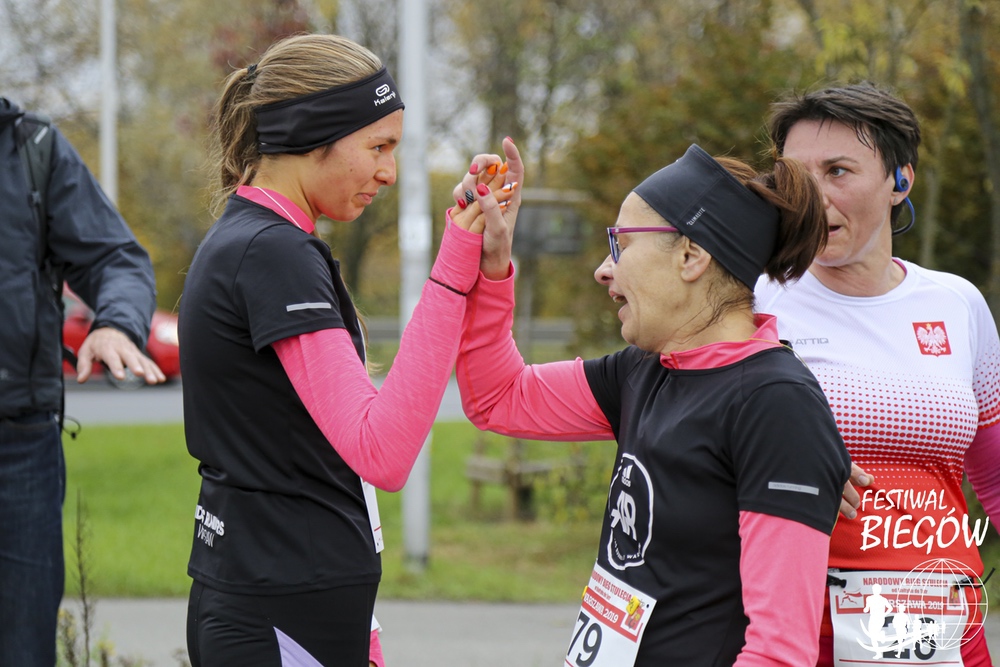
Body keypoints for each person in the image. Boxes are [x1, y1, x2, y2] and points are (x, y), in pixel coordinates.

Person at [178, 34, 519, 667]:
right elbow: (381, 451)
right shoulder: (274, 252)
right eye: (378, 147)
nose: (390, 172)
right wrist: (452, 268)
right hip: (283, 609)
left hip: (286, 601)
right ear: (313, 134)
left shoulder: (258, 239)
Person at [453, 142, 851, 665]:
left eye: (621, 244)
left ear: (691, 256)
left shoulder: (776, 405)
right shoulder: (644, 370)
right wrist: (492, 267)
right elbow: (498, 398)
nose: (604, 270)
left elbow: (778, 650)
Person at [756, 82, 1000, 666]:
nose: (812, 197)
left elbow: (993, 473)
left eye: (838, 171)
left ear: (900, 181)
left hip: (942, 628)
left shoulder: (957, 303)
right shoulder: (751, 300)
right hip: (795, 633)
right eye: (795, 176)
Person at [0, 98, 164, 666]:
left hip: (18, 449)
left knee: (22, 647)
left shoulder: (32, 148)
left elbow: (114, 258)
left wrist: (115, 323)